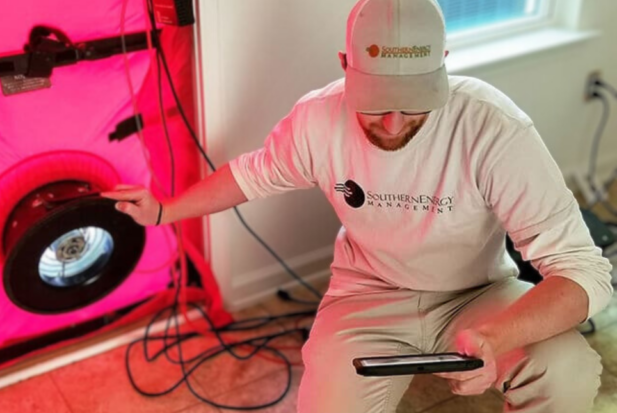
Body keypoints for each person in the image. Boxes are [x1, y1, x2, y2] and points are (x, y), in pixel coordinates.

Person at [101, 0, 614, 411]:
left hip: (476, 294)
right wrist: (165, 211)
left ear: (444, 65)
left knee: (565, 372)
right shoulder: (317, 120)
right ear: (345, 65)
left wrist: (493, 337)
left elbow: (584, 272)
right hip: (367, 295)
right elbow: (251, 175)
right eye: (376, 103)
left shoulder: (492, 128)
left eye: (413, 102)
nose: (393, 124)